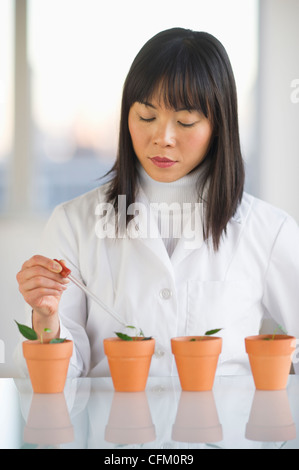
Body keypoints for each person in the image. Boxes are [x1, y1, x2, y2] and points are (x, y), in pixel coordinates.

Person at [16, 28, 299, 377]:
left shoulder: (268, 231)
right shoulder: (74, 224)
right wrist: (47, 318)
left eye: (185, 121)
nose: (162, 138)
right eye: (147, 117)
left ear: (219, 126)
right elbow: (57, 380)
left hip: (227, 432)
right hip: (109, 431)